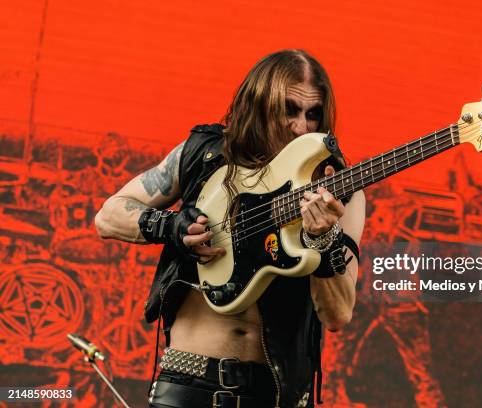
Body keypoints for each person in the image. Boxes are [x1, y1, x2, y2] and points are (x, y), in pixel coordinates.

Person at [95, 49, 365, 408]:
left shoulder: (338, 188)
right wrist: (171, 225)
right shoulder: (206, 154)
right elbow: (108, 215)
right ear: (258, 103)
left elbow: (338, 314)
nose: (301, 127)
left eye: (312, 114)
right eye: (289, 110)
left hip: (277, 397)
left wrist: (323, 240)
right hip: (188, 383)